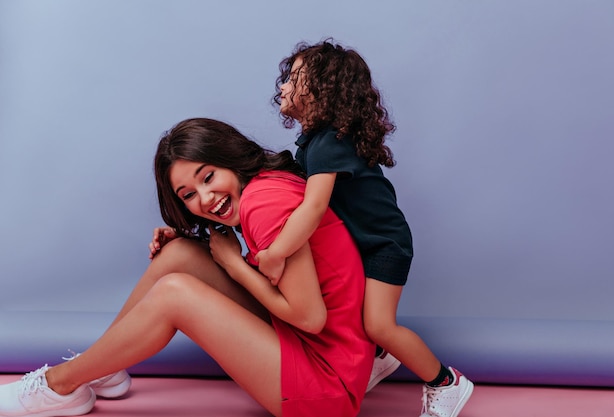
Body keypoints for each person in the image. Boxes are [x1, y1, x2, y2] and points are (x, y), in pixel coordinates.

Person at [0, 118, 374, 417]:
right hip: (316, 349)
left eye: (208, 177)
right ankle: (101, 367)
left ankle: (58, 386)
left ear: (229, 157)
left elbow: (309, 317)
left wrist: (232, 264)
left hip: (325, 388)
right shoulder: (265, 186)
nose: (206, 199)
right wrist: (196, 243)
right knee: (180, 254)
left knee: (174, 294)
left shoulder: (264, 206)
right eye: (189, 195)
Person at [253, 39, 474, 417]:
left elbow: (313, 207)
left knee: (378, 324)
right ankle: (379, 358)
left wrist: (276, 253)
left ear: (321, 89)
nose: (283, 86)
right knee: (354, 317)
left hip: (383, 245)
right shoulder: (313, 143)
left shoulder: (328, 145)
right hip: (359, 243)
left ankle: (445, 383)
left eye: (294, 78)